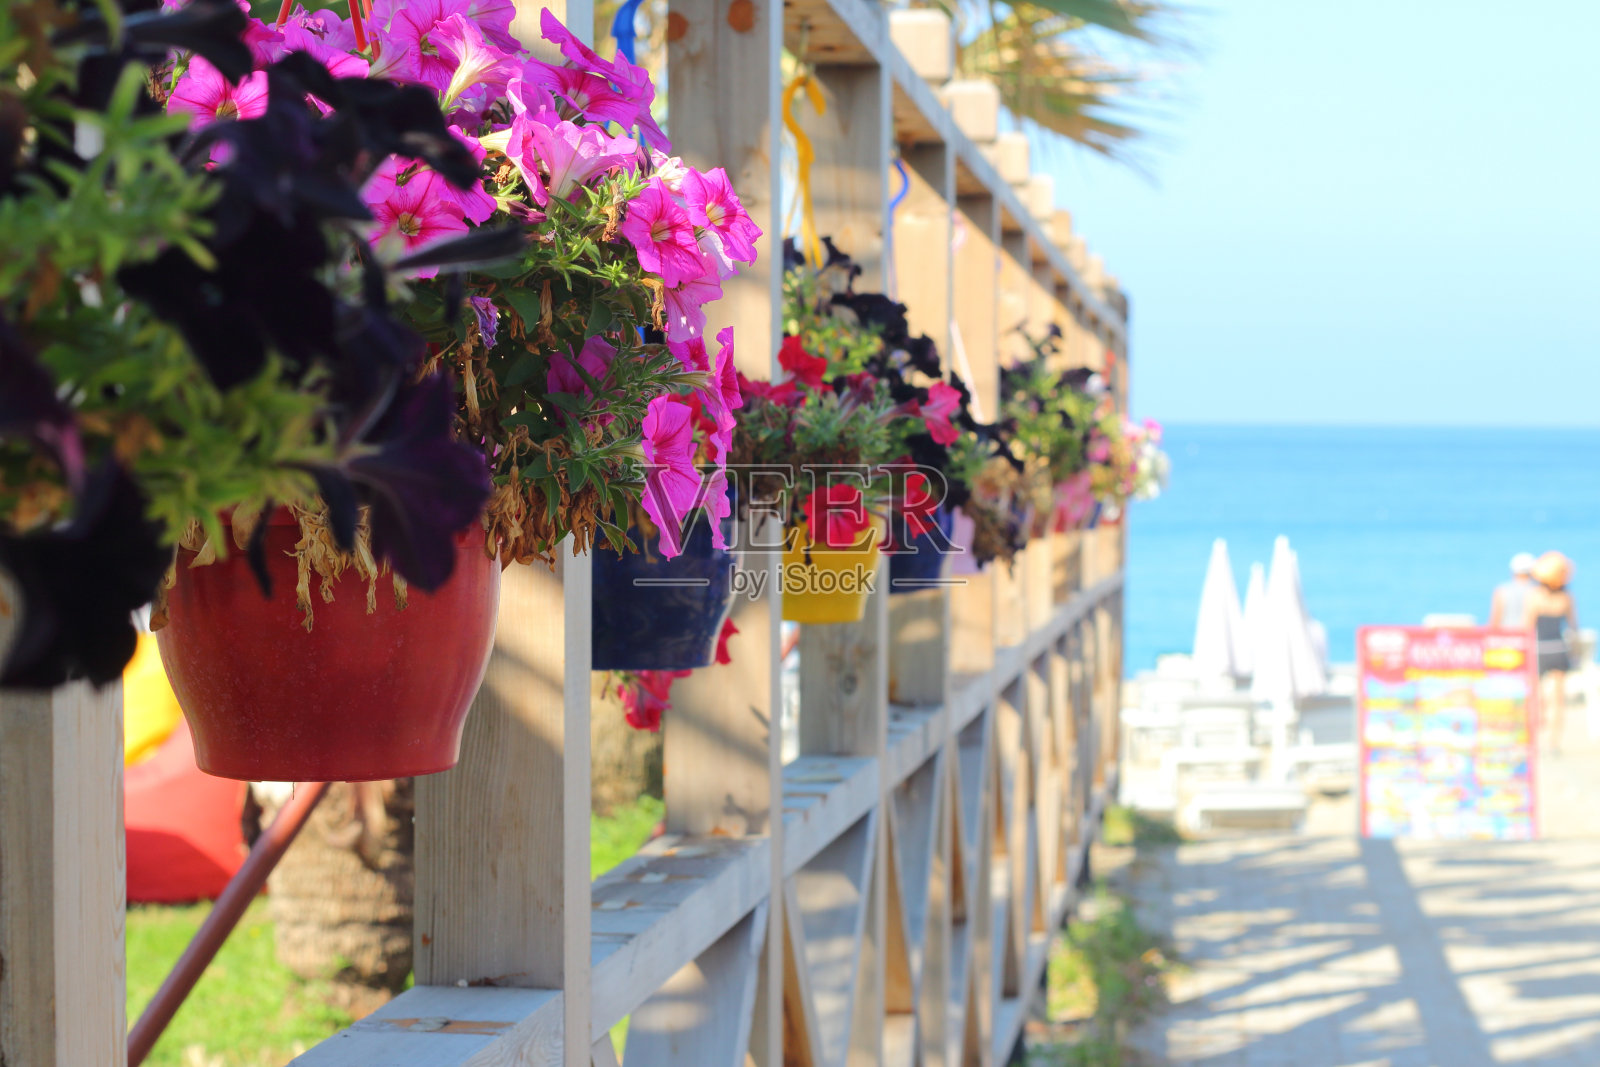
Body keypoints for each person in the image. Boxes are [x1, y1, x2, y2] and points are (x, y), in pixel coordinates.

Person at [1524, 551, 1577, 753]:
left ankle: (1536, 738)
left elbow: (1527, 627)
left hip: (1538, 650)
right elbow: (1573, 627)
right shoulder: (1566, 598)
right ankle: (1554, 742)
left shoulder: (1534, 597)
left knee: (1536, 697)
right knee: (1558, 699)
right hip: (1559, 649)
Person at [1489, 552, 1537, 629]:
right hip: (1530, 638)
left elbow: (1495, 621)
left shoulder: (1502, 590)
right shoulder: (1538, 590)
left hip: (1506, 637)